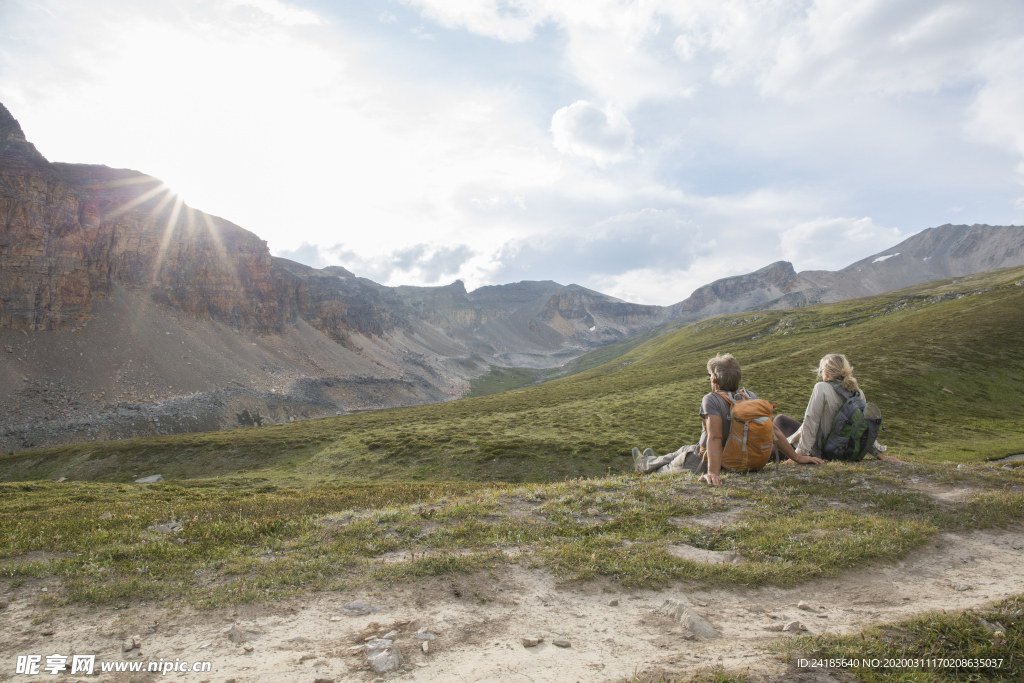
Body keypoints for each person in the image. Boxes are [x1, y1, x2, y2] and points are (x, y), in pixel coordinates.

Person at [632, 353, 824, 485]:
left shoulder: (712, 399)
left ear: (714, 379)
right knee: (685, 449)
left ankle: (645, 466)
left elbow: (715, 438)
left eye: (710, 376)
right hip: (745, 458)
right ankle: (647, 459)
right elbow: (773, 430)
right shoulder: (751, 396)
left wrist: (713, 473)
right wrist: (797, 457)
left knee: (665, 470)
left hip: (711, 460)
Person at [774, 353, 901, 462]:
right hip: (844, 448)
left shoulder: (822, 388)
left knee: (779, 422)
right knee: (783, 423)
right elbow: (864, 426)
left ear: (826, 373)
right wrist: (879, 454)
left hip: (822, 450)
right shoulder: (857, 392)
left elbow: (811, 420)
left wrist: (800, 455)